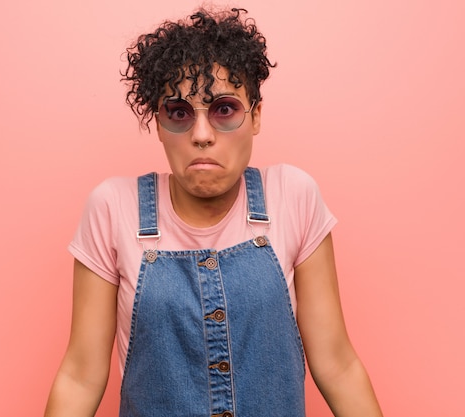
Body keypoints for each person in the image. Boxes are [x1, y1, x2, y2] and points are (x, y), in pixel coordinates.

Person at [45, 8, 383, 417]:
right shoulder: (114, 208)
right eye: (179, 112)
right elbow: (80, 375)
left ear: (255, 115)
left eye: (224, 110)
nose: (202, 135)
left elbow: (338, 364)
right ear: (158, 123)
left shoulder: (293, 196)